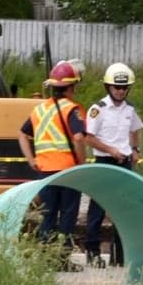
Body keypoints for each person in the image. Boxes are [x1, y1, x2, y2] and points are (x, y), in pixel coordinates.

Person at [17, 59, 87, 257]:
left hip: (44, 171)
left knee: (47, 215)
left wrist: (31, 160)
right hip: (68, 171)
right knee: (67, 215)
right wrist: (82, 162)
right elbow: (79, 137)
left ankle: (45, 258)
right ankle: (62, 259)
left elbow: (22, 134)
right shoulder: (71, 109)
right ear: (71, 87)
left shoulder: (39, 109)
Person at [83, 63, 143, 268]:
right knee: (98, 209)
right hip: (105, 161)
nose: (120, 91)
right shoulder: (97, 110)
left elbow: (135, 129)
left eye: (124, 87)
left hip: (124, 163)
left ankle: (120, 255)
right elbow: (88, 138)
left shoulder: (130, 109)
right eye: (117, 87)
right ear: (108, 87)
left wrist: (136, 150)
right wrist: (110, 150)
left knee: (123, 209)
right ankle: (93, 253)